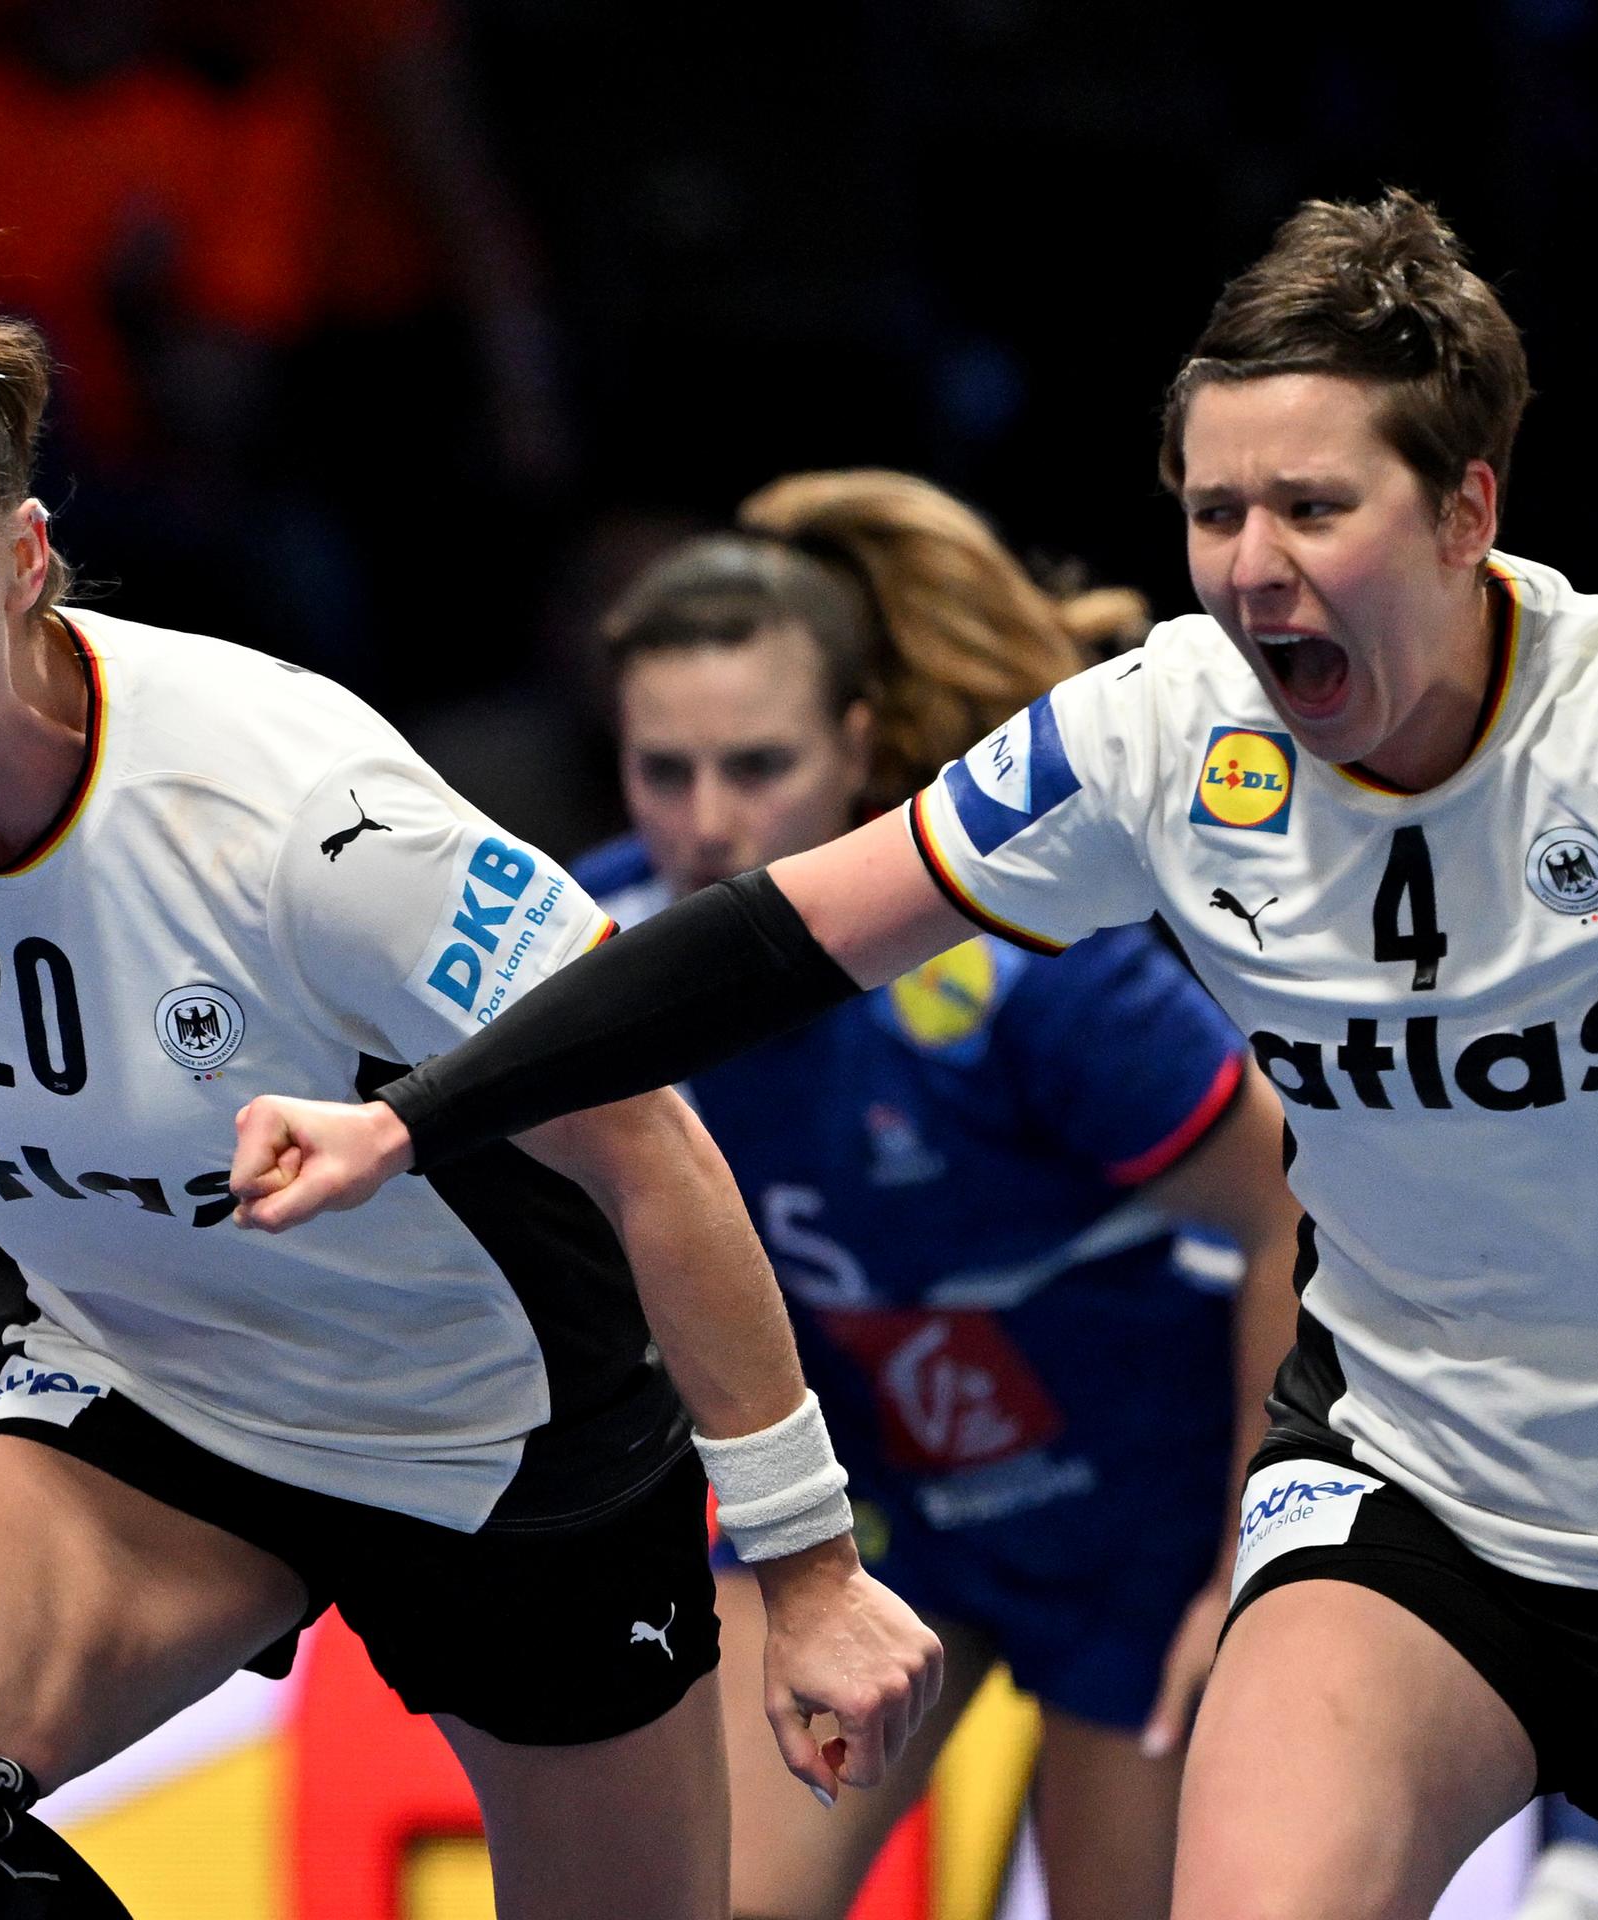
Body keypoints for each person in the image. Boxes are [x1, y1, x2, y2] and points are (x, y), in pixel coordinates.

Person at [228, 188, 1598, 1917]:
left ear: (1470, 512)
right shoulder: (1165, 728)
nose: (1255, 567)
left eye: (1315, 508)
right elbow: (759, 943)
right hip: (1415, 1487)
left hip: (1169, 1490)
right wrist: (416, 1122)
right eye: (1215, 510)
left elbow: (1246, 1197)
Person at [0, 209, 941, 1920]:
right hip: (153, 1396)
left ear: (30, 555)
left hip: (498, 1441)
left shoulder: (297, 820)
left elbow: (649, 1143)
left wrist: (803, 1561)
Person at [567, 469, 1302, 1920]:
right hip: (880, 1513)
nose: (707, 825)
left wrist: (1250, 1579)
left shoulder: (1026, 968)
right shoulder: (595, 955)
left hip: (1145, 1529)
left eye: (759, 766)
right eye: (664, 772)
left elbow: (1291, 1209)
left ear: (856, 746)